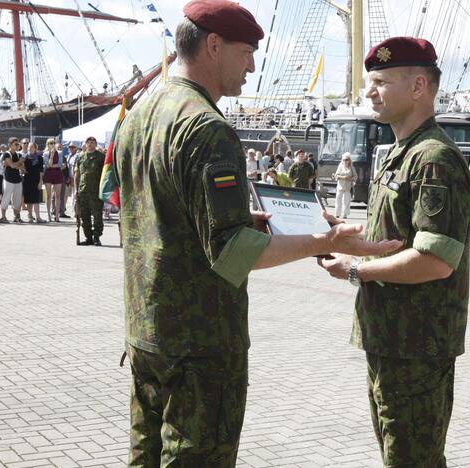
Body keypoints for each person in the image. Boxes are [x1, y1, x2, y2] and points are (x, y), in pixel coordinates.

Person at [113, 4, 400, 465]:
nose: (251, 66)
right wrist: (323, 242)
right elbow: (234, 252)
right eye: (246, 52)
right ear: (213, 46)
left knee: (145, 456)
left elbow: (161, 208)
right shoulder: (206, 127)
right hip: (199, 343)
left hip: (148, 330)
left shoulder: (143, 113)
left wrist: (240, 217)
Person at [317, 35, 470, 467]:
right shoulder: (400, 154)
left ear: (418, 87)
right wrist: (341, 236)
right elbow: (394, 236)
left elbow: (436, 260)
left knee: (412, 459)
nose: (370, 91)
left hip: (417, 343)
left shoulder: (433, 158)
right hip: (391, 337)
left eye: (381, 81)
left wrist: (355, 269)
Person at [74, 136, 105, 245]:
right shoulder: (80, 157)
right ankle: (88, 237)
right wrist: (75, 189)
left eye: (92, 142)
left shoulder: (101, 157)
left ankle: (96, 237)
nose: (90, 144)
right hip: (83, 190)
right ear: (85, 144)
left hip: (96, 191)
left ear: (96, 144)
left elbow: (106, 174)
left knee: (97, 216)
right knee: (84, 216)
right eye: (88, 142)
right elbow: (76, 174)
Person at [0, 137, 25, 223]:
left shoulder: (19, 155)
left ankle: (17, 217)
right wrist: (18, 163)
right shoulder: (6, 154)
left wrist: (13, 164)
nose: (18, 145)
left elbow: (22, 167)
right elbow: (14, 166)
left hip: (18, 180)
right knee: (6, 198)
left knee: (17, 200)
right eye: (16, 144)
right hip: (8, 179)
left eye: (18, 144)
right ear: (10, 145)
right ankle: (3, 217)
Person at [22, 142, 45, 223]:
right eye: (29, 147)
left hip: (36, 180)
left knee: (36, 200)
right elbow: (21, 167)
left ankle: (38, 217)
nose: (30, 148)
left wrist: (40, 181)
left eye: (32, 147)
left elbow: (41, 171)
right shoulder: (25, 157)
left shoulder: (39, 158)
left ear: (35, 148)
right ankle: (30, 216)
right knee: (29, 200)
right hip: (27, 180)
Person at [43, 139, 64, 222]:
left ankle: (57, 215)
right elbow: (48, 165)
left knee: (57, 195)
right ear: (47, 145)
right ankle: (48, 215)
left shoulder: (60, 153)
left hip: (57, 174)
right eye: (51, 143)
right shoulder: (45, 154)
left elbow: (59, 164)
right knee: (48, 195)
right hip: (48, 174)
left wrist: (52, 165)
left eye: (54, 143)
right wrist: (51, 155)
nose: (52, 144)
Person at [332, 152, 356, 218]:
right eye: (344, 160)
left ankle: (345, 214)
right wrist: (343, 177)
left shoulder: (351, 167)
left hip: (348, 187)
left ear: (349, 160)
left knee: (346, 201)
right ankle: (337, 214)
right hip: (340, 186)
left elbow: (355, 177)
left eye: (346, 160)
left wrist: (350, 179)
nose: (345, 161)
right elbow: (336, 175)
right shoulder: (340, 166)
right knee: (338, 200)